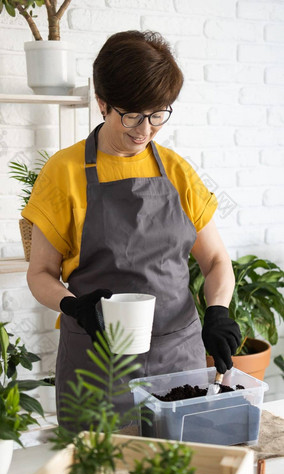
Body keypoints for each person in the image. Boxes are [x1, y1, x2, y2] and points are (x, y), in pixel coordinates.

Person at [22, 30, 241, 422]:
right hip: (98, 363)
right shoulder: (63, 173)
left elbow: (216, 262)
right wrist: (72, 305)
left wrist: (219, 312)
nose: (144, 130)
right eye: (132, 116)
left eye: (157, 115)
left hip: (178, 359)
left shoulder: (176, 170)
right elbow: (39, 274)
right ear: (102, 103)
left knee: (178, 472)